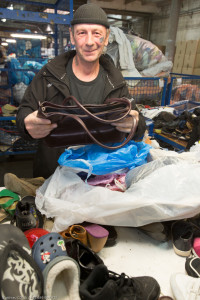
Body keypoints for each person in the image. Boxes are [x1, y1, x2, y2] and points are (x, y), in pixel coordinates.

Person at [16, 3, 146, 179]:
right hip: (54, 175)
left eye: (97, 33)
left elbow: (136, 119)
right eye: (82, 33)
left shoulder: (115, 80)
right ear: (72, 37)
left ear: (106, 38)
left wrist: (135, 124)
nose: (90, 42)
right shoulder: (49, 75)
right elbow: (24, 111)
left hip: (99, 178)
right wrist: (26, 124)